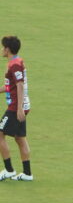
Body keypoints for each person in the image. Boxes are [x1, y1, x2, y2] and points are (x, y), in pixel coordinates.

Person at [0, 36, 31, 181]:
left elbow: (19, 85)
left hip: (15, 107)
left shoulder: (14, 65)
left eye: (3, 47)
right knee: (20, 138)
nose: (1, 50)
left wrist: (19, 109)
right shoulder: (17, 62)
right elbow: (10, 86)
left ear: (7, 49)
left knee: (0, 135)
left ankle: (9, 170)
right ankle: (27, 174)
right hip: (21, 105)